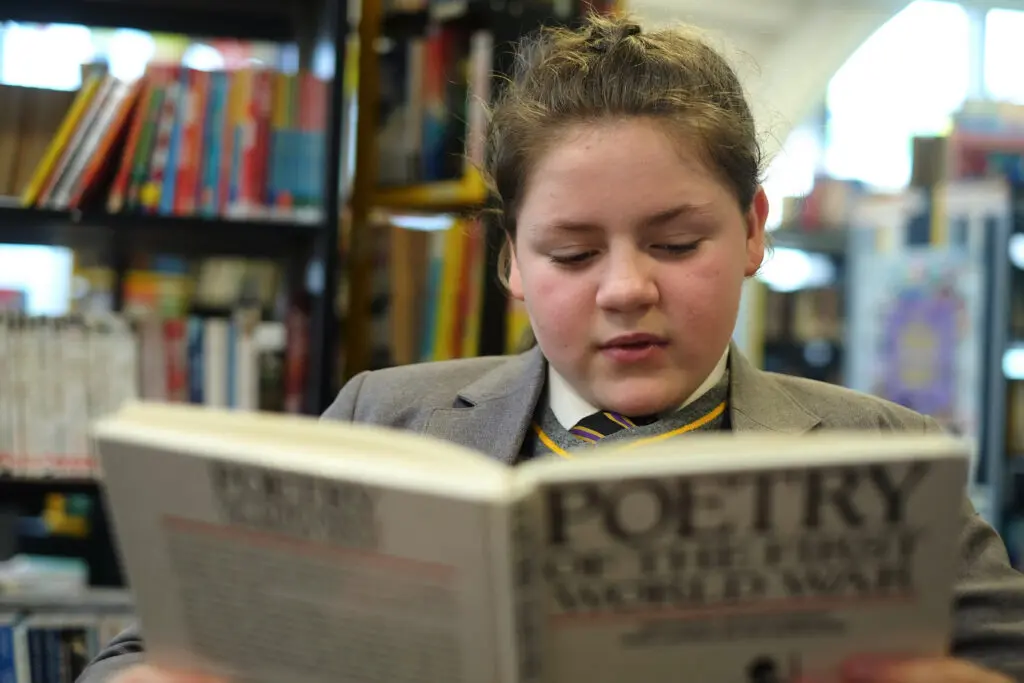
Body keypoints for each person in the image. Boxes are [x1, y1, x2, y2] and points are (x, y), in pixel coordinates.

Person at [81, 13, 1023, 683]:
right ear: (513, 265)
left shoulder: (885, 456)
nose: (625, 288)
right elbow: (139, 649)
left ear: (751, 231)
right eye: (572, 253)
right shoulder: (384, 416)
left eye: (676, 242)